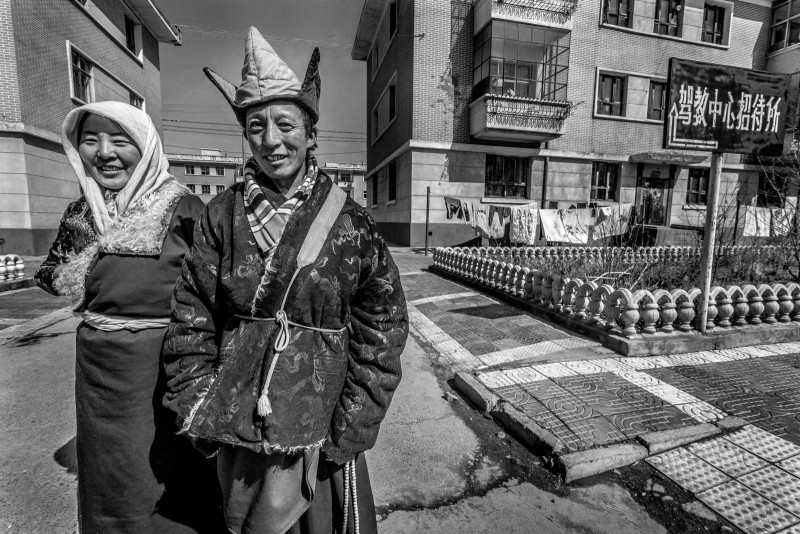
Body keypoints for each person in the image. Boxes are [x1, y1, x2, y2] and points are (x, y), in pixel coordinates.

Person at [161, 27, 408, 534]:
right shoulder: (220, 216)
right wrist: (198, 404)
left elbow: (382, 327)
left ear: (311, 132)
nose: (272, 140)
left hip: (323, 435)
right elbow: (192, 315)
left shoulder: (351, 222)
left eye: (285, 123)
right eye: (256, 126)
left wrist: (352, 425)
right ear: (245, 134)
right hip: (238, 432)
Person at [35, 101, 223, 534]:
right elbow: (51, 275)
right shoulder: (80, 213)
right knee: (108, 476)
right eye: (90, 140)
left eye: (121, 141)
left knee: (170, 477)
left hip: (168, 366)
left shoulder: (187, 209)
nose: (104, 152)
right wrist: (81, 273)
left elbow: (218, 290)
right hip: (99, 371)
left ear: (147, 147)